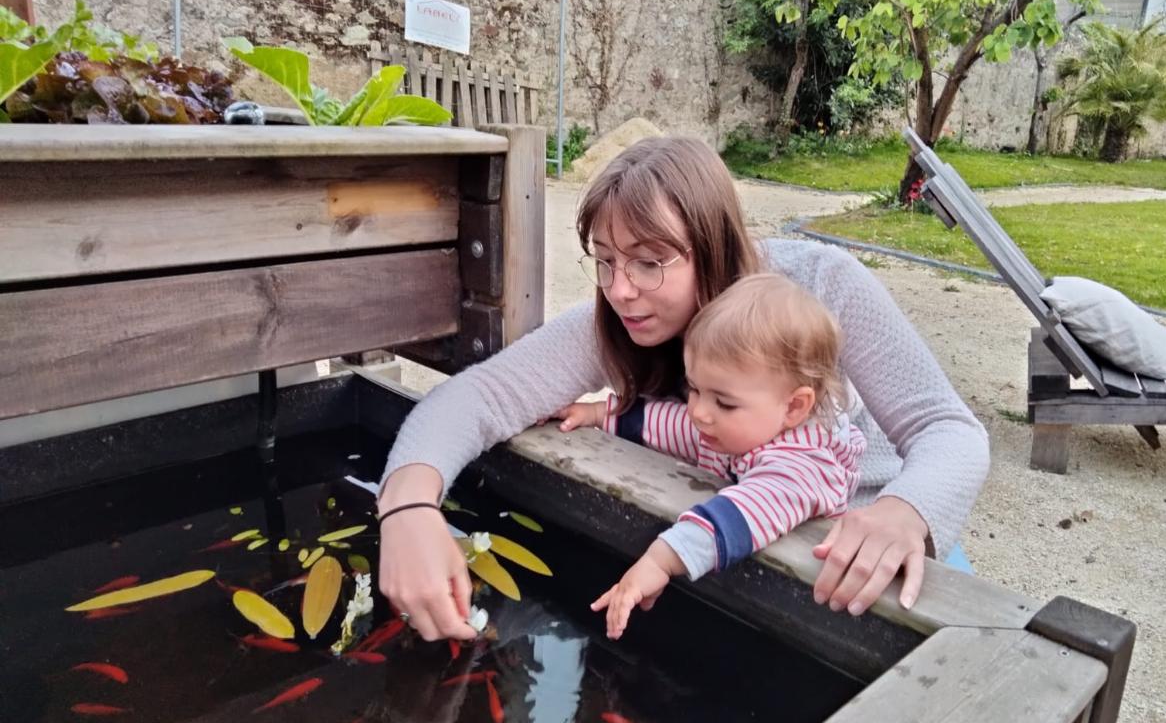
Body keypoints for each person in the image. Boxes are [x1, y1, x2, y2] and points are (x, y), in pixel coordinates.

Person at [378, 136, 989, 641]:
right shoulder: (620, 317)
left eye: (650, 262)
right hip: (733, 551)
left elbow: (949, 429)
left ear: (714, 246)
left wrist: (906, 512)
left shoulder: (822, 286)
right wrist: (407, 508)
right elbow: (481, 396)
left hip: (876, 556)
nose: (620, 290)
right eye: (606, 260)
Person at [550, 273, 865, 640]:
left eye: (723, 401)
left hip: (807, 620)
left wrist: (659, 561)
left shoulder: (803, 466)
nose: (699, 411)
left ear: (794, 407)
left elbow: (740, 514)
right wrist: (598, 414)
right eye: (695, 389)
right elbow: (667, 424)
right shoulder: (737, 427)